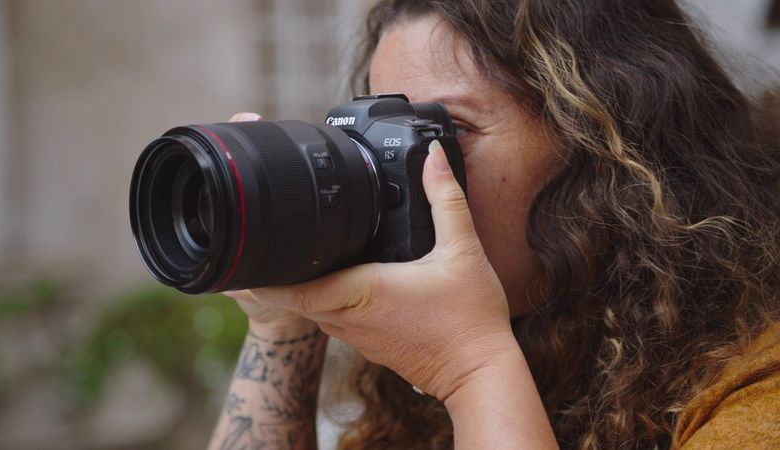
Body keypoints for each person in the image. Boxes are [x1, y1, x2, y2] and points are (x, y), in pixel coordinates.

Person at [206, 1, 780, 449]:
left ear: (608, 153)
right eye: (378, 133)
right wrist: (284, 326)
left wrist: (471, 368)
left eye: (439, 131)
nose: (395, 170)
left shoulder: (758, 393)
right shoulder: (490, 352)